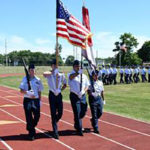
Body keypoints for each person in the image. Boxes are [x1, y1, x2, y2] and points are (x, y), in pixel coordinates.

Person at [43, 59, 67, 139]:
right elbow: (44, 74)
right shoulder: (49, 74)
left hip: (59, 94)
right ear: (51, 66)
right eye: (53, 65)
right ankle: (55, 131)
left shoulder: (61, 74)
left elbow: (65, 84)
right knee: (53, 113)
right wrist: (53, 72)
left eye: (56, 65)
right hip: (52, 95)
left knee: (60, 112)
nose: (55, 66)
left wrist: (61, 90)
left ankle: (54, 121)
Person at [19, 64, 43, 140]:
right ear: (29, 71)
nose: (32, 71)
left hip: (36, 100)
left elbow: (39, 91)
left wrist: (40, 100)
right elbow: (21, 90)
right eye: (31, 70)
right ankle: (31, 134)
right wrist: (28, 93)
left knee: (37, 116)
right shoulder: (25, 79)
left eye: (33, 70)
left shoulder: (38, 80)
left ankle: (30, 126)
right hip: (27, 100)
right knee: (29, 117)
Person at [68, 60, 89, 136]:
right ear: (73, 67)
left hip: (82, 95)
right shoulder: (70, 74)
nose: (78, 67)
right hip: (74, 96)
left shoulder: (84, 76)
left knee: (84, 111)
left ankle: (77, 122)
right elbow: (70, 78)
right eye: (77, 66)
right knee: (77, 112)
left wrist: (83, 91)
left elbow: (87, 85)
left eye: (79, 66)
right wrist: (77, 73)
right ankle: (79, 129)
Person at [88, 70, 105, 134]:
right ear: (92, 76)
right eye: (95, 75)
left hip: (99, 98)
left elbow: (102, 91)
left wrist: (103, 99)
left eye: (97, 75)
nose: (96, 76)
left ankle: (93, 120)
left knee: (100, 112)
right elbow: (88, 92)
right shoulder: (90, 83)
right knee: (94, 114)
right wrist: (91, 93)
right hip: (92, 99)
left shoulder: (100, 82)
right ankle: (96, 127)